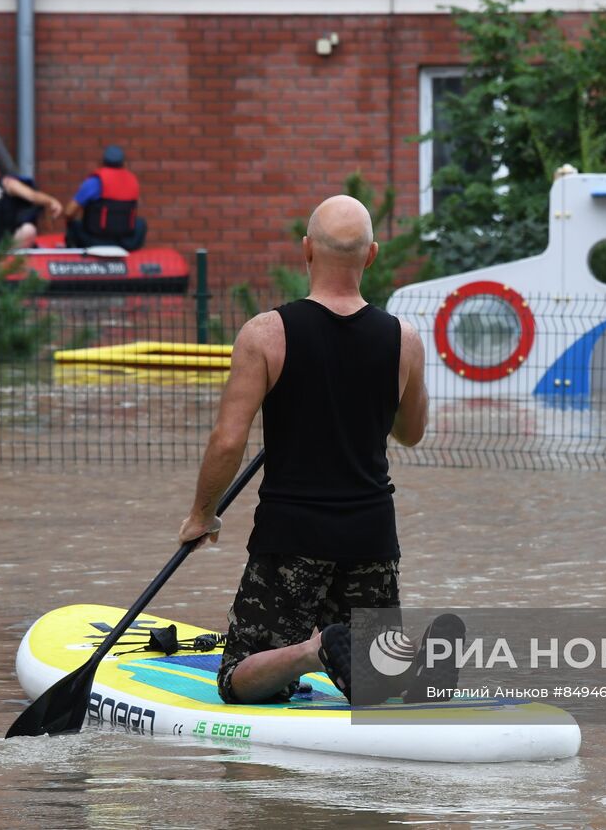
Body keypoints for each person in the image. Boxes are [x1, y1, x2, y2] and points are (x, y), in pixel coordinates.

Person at [177, 195, 431, 706]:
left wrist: (202, 514)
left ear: (307, 250)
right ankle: (355, 656)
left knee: (236, 682)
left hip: (292, 536)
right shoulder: (403, 339)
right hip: (371, 536)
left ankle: (312, 653)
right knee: (376, 686)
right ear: (373, 256)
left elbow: (229, 440)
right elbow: (411, 433)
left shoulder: (266, 334)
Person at [64, 144, 146, 250]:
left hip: (94, 240)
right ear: (123, 163)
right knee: (140, 223)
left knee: (74, 224)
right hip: (125, 242)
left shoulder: (94, 182)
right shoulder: (133, 181)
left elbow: (69, 212)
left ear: (103, 161)